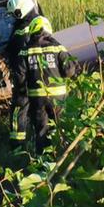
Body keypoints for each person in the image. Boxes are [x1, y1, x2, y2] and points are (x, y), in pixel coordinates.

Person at [12, 16, 77, 154]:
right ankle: (62, 155)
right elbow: (70, 70)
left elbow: (20, 77)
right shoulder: (58, 47)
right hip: (58, 98)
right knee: (60, 126)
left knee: (41, 129)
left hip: (37, 99)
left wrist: (23, 91)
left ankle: (43, 161)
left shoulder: (26, 51)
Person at [5, 0, 38, 148]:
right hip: (39, 75)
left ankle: (17, 146)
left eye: (14, 14)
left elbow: (18, 60)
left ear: (20, 12)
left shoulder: (20, 33)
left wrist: (19, 84)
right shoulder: (39, 23)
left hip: (25, 77)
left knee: (19, 109)